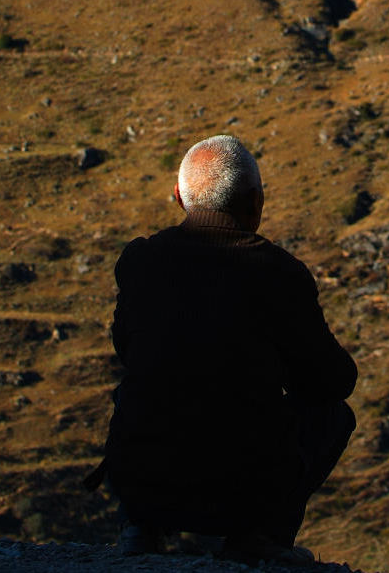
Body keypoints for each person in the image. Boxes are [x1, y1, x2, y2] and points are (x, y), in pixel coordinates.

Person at [88, 135, 357, 565]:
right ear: (256, 203)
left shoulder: (140, 261)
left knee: (137, 389)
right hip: (240, 489)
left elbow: (127, 349)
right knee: (332, 416)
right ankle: (258, 539)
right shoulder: (278, 272)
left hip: (146, 477)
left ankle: (140, 526)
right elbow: (334, 380)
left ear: (179, 198)